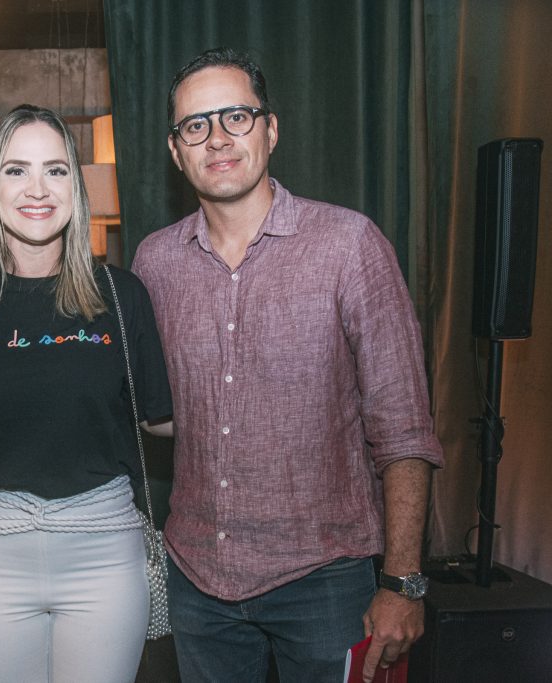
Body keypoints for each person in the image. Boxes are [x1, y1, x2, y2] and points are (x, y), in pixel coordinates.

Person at [131, 48, 445, 683]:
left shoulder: (349, 245)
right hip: (197, 581)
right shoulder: (154, 263)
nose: (217, 138)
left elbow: (404, 426)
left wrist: (403, 582)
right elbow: (158, 411)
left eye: (236, 117)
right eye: (196, 125)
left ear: (270, 130)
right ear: (175, 151)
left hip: (327, 582)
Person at [0, 104, 174, 683]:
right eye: (16, 170)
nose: (37, 189)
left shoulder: (121, 295)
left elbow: (164, 419)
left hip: (104, 554)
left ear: (76, 186)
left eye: (57, 170)